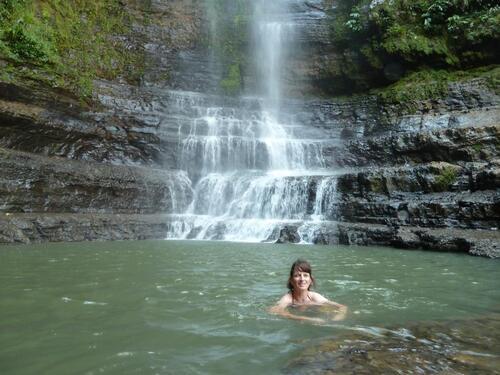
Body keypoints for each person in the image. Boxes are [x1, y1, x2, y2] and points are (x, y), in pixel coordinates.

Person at [269, 259, 347, 323]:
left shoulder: (314, 297)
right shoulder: (288, 298)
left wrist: (337, 318)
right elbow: (275, 310)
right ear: (291, 281)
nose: (302, 279)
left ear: (311, 280)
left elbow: (342, 307)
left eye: (305, 275)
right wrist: (304, 319)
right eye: (297, 275)